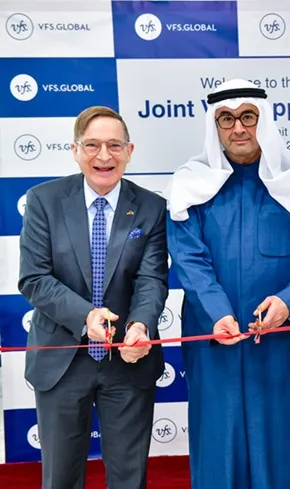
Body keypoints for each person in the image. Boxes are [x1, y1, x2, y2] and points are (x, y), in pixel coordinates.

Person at [163, 79, 290, 489]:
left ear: (266, 121)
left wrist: (288, 302)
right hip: (214, 340)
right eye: (227, 119)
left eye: (248, 116)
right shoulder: (190, 185)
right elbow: (189, 260)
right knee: (218, 442)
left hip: (282, 342)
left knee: (284, 442)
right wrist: (218, 314)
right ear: (215, 126)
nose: (239, 128)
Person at [18, 106, 168, 488]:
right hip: (61, 360)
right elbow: (34, 278)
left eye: (115, 145)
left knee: (129, 479)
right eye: (92, 145)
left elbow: (151, 278)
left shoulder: (152, 207)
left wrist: (140, 326)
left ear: (129, 151)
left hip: (129, 361)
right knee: (61, 479)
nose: (104, 156)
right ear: (75, 150)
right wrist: (86, 317)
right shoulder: (44, 201)